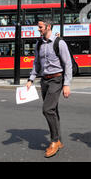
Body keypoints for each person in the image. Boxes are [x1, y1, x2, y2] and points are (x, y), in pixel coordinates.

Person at [26, 19, 73, 158]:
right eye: (38, 27)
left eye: (40, 27)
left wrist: (67, 84)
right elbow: (36, 63)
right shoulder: (39, 43)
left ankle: (54, 140)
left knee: (47, 109)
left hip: (56, 79)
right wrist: (31, 79)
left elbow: (68, 64)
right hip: (44, 81)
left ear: (48, 27)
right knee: (53, 110)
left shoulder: (59, 43)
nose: (38, 29)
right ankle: (59, 140)